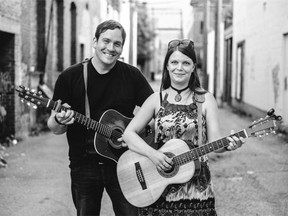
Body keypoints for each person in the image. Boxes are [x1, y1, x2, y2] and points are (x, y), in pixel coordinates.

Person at [122, 39, 245, 215]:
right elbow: (129, 134)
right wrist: (154, 155)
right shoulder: (155, 100)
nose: (179, 67)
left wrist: (230, 144)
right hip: (159, 183)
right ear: (167, 66)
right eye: (174, 62)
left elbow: (216, 142)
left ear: (193, 67)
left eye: (186, 63)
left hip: (196, 187)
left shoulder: (206, 99)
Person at [47, 19, 154, 216]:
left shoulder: (132, 76)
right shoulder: (70, 77)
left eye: (117, 43)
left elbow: (155, 110)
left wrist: (135, 134)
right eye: (106, 41)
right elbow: (55, 128)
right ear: (95, 41)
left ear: (122, 47)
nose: (111, 48)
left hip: (126, 162)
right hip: (84, 164)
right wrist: (60, 121)